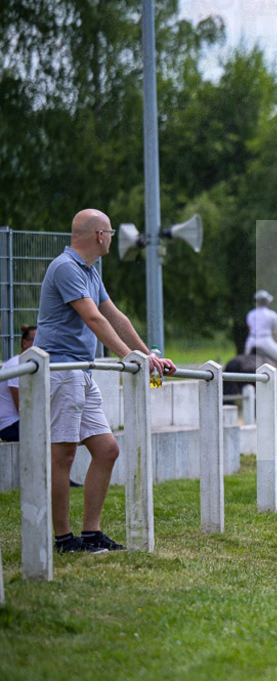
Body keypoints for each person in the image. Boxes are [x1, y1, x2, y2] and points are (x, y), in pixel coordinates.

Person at [34, 209, 177, 554]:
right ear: (100, 235)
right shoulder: (66, 267)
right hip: (60, 371)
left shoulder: (89, 270)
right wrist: (127, 356)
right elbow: (93, 318)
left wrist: (147, 357)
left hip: (81, 370)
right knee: (63, 456)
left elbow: (114, 316)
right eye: (110, 232)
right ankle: (64, 539)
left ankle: (92, 534)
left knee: (107, 450)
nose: (111, 237)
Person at [0, 324, 37, 442]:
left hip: (19, 422)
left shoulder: (30, 364)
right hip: (10, 425)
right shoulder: (17, 365)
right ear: (25, 343)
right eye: (36, 341)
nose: (41, 345)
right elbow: (21, 407)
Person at [245, 290, 277, 369]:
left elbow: (250, 328)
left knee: (244, 361)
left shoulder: (250, 314)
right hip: (266, 341)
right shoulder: (272, 315)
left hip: (251, 341)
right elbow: (276, 334)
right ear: (267, 302)